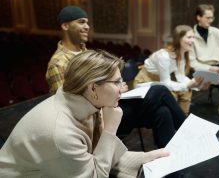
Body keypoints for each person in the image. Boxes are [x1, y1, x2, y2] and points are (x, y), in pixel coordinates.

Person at [0, 50, 169, 177]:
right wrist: (110, 130)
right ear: (93, 88)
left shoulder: (89, 104)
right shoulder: (61, 131)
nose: (122, 87)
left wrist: (146, 157)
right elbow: (94, 174)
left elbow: (103, 157)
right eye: (117, 82)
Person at [46, 6, 187, 150]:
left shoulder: (86, 53)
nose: (87, 26)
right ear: (65, 25)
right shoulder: (58, 64)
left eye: (87, 22)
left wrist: (116, 87)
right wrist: (109, 93)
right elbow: (68, 108)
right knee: (159, 90)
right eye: (81, 22)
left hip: (112, 105)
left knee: (163, 112)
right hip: (98, 119)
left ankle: (169, 159)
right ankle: (191, 132)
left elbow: (100, 83)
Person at [134, 25, 210, 114]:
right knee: (172, 96)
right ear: (178, 39)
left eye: (193, 37)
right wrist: (187, 85)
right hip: (145, 81)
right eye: (189, 37)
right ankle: (170, 123)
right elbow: (165, 83)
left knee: (186, 91)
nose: (192, 40)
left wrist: (198, 85)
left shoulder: (183, 54)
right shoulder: (164, 56)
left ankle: (182, 121)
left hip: (160, 81)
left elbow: (180, 76)